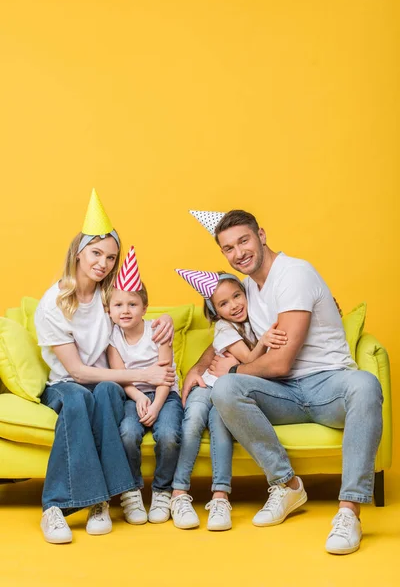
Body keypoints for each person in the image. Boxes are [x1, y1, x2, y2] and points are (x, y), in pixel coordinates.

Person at [184, 209, 383, 555]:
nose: (239, 253)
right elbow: (225, 331)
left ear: (261, 235)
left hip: (328, 385)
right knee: (227, 391)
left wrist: (230, 372)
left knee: (365, 384)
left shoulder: (294, 273)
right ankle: (287, 485)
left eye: (243, 240)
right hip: (284, 394)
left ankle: (349, 511)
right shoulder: (246, 288)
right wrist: (197, 368)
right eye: (228, 248)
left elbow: (280, 362)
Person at [34, 190, 174, 544]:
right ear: (78, 252)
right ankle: (59, 506)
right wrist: (143, 375)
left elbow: (137, 315)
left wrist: (167, 321)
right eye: (96, 253)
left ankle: (104, 501)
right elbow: (78, 372)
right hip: (66, 384)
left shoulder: (108, 296)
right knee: (80, 398)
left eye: (111, 257)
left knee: (109, 392)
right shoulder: (52, 304)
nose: (103, 263)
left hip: (107, 384)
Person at [170, 269, 287, 531]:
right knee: (193, 423)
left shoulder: (256, 314)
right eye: (224, 303)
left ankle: (220, 497)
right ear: (216, 311)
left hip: (227, 390)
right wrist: (264, 342)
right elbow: (249, 361)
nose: (234, 305)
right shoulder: (224, 328)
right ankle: (178, 493)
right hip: (206, 384)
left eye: (237, 296)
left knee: (221, 427)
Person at [107, 246, 184, 525]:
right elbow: (121, 374)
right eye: (118, 305)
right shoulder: (112, 338)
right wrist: (139, 397)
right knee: (127, 433)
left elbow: (165, 376)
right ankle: (132, 491)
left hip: (165, 395)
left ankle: (163, 490)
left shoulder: (158, 331)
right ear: (109, 310)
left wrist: (157, 404)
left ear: (145, 308)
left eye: (132, 304)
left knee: (169, 434)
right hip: (133, 394)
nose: (125, 310)